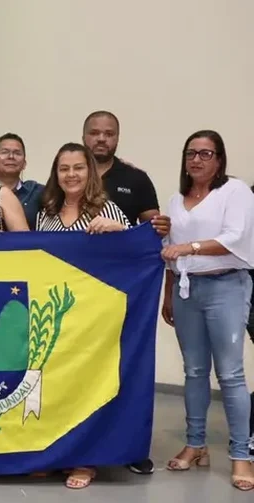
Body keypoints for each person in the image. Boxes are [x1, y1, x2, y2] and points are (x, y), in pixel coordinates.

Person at [160, 130, 254, 491]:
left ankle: (241, 455)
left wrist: (189, 247)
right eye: (191, 153)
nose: (197, 160)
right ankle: (195, 444)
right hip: (187, 290)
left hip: (226, 287)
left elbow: (235, 237)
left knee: (230, 374)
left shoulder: (235, 192)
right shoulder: (176, 199)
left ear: (219, 159)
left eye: (206, 153)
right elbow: (169, 250)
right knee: (195, 371)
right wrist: (169, 294)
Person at [36, 142, 131, 489]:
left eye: (78, 167)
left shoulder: (106, 208)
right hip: (58, 313)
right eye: (64, 168)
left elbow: (136, 246)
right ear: (55, 173)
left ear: (90, 171)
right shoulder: (46, 211)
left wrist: (117, 230)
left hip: (93, 318)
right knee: (57, 384)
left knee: (85, 387)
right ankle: (56, 454)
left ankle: (85, 459)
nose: (71, 174)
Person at [82, 110, 169, 475]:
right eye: (95, 133)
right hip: (79, 294)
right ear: (84, 136)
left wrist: (155, 226)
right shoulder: (71, 173)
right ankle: (79, 445)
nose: (101, 139)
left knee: (128, 367)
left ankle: (132, 447)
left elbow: (155, 229)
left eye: (109, 133)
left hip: (123, 294)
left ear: (117, 137)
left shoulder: (135, 178)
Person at [0, 133, 43, 229]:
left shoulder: (36, 192)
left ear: (24, 164)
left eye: (17, 153)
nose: (11, 156)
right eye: (4, 152)